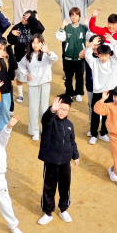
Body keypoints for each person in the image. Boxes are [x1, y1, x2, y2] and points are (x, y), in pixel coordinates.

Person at [37, 95, 79, 225]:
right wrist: (52, 110)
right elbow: (45, 119)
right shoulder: (50, 121)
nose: (62, 112)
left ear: (69, 110)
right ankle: (48, 212)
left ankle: (63, 209)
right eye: (60, 109)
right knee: (49, 187)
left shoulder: (69, 125)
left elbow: (72, 141)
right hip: (51, 161)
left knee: (65, 186)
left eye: (65, 110)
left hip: (65, 161)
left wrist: (75, 155)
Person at [84, 38, 117, 145]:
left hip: (110, 90)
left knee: (108, 113)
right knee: (95, 112)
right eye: (101, 55)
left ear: (109, 55)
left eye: (106, 56)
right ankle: (94, 134)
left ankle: (103, 133)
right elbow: (88, 56)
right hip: (98, 91)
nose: (104, 58)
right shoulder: (94, 62)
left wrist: (113, 42)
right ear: (98, 54)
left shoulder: (113, 61)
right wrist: (91, 45)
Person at [18, 35, 58, 141]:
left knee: (44, 109)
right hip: (32, 85)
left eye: (38, 42)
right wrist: (26, 73)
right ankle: (34, 131)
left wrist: (47, 51)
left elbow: (55, 58)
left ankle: (45, 129)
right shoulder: (28, 56)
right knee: (33, 108)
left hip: (45, 84)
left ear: (42, 43)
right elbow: (20, 65)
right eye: (33, 43)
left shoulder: (46, 55)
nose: (35, 45)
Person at [7, 10, 45, 104]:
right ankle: (20, 94)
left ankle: (35, 94)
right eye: (23, 17)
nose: (24, 19)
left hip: (33, 58)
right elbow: (10, 41)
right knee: (20, 77)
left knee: (34, 76)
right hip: (19, 57)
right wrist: (12, 34)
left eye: (27, 18)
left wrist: (31, 18)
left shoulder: (34, 28)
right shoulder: (17, 26)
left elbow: (41, 29)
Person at [56, 8, 88, 102]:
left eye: (76, 15)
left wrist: (88, 25)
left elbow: (91, 37)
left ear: (79, 17)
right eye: (72, 15)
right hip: (68, 57)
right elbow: (60, 38)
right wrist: (62, 26)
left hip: (80, 57)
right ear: (70, 17)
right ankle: (69, 93)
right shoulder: (67, 28)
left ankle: (78, 93)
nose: (74, 17)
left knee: (79, 76)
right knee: (68, 76)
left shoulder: (83, 28)